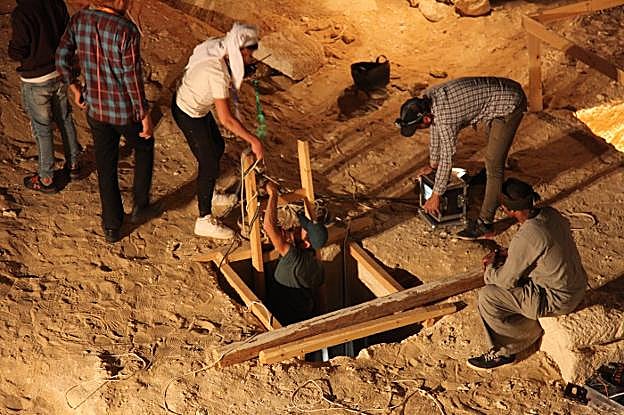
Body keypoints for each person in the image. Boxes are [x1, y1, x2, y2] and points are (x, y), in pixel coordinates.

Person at [56, 0, 154, 243]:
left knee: (106, 164)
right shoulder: (126, 30)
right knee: (144, 145)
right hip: (123, 111)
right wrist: (144, 114)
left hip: (97, 110)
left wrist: (75, 88)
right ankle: (140, 204)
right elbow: (132, 79)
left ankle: (111, 225)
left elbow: (61, 57)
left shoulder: (80, 19)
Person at [467, 178, 587, 370]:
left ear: (507, 209)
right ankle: (528, 327)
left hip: (557, 299)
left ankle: (506, 351)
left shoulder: (528, 234)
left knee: (488, 296)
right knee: (517, 274)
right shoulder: (550, 213)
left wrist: (490, 268)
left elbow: (505, 281)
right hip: (576, 285)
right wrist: (511, 253)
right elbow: (541, 246)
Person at [395, 77, 527, 239]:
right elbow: (435, 131)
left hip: (510, 103)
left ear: (426, 118)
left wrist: (436, 195)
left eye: (418, 127)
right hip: (497, 96)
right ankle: (486, 182)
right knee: (493, 147)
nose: (419, 129)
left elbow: (448, 156)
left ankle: (485, 224)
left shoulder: (445, 117)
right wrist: (433, 165)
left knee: (494, 165)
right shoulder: (429, 98)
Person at [171, 22, 265, 239]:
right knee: (209, 162)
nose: (250, 59)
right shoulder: (217, 72)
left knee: (218, 146)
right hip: (188, 112)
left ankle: (210, 193)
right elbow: (226, 119)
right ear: (240, 51)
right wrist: (254, 141)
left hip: (195, 106)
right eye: (249, 55)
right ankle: (203, 220)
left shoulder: (219, 46)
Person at [9, 0, 82, 193]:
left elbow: (18, 50)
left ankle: (46, 177)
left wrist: (13, 50)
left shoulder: (22, 13)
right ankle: (74, 165)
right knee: (65, 118)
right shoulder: (56, 3)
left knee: (42, 128)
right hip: (59, 72)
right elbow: (69, 34)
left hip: (36, 79)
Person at [263, 182, 327, 325]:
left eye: (303, 229)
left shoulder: (293, 257)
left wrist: (273, 194)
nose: (299, 227)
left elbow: (268, 226)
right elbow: (320, 301)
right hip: (303, 316)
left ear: (306, 243)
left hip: (281, 321)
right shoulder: (317, 266)